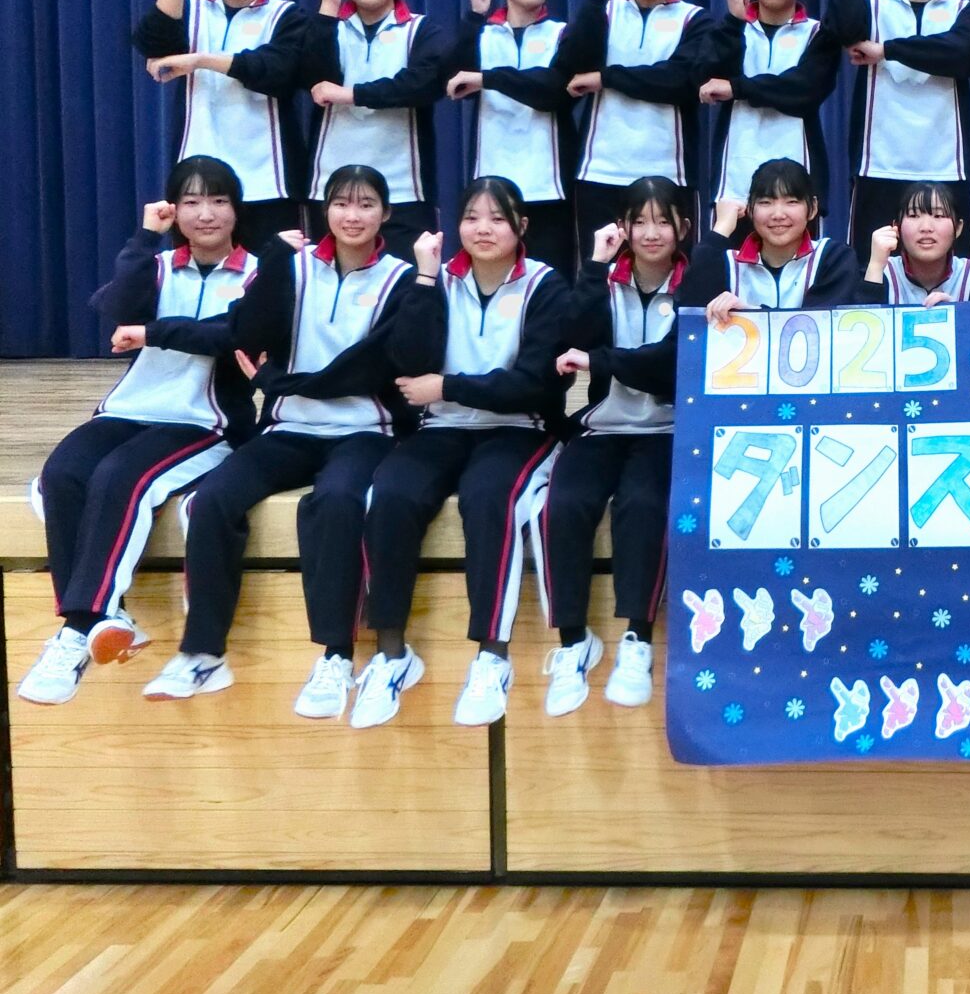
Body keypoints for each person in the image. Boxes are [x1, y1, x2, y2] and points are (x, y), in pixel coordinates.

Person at [144, 165, 414, 707]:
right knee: (212, 498)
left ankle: (336, 656)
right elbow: (246, 332)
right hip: (289, 426)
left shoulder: (401, 279)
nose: (352, 216)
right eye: (341, 204)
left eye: (365, 205)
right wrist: (271, 264)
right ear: (324, 211)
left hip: (366, 431)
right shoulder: (293, 268)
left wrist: (275, 380)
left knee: (335, 501)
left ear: (385, 214)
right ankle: (203, 652)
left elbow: (370, 367)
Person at [17, 159, 257, 705]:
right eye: (191, 202)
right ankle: (109, 616)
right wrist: (144, 237)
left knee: (123, 477)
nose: (205, 213)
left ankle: (79, 629)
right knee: (62, 475)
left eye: (218, 200)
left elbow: (233, 333)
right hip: (129, 409)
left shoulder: (259, 274)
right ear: (174, 210)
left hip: (205, 421)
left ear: (236, 209)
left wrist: (153, 331)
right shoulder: (158, 264)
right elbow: (116, 306)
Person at [353, 177, 569, 730]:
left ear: (522, 226)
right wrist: (425, 278)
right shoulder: (435, 281)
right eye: (472, 217)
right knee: (390, 494)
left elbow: (535, 385)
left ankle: (492, 657)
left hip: (519, 428)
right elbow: (408, 361)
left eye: (497, 218)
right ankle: (392, 654)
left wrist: (448, 386)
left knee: (488, 497)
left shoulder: (546, 285)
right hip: (441, 427)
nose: (483, 229)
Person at [539, 177, 690, 714]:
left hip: (668, 429)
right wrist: (594, 264)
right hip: (604, 425)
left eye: (663, 221)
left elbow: (668, 364)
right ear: (622, 226)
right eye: (639, 221)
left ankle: (637, 639)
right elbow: (571, 335)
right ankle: (572, 641)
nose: (651, 233)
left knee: (643, 504)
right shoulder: (605, 280)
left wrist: (600, 360)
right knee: (563, 503)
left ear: (682, 228)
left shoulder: (697, 283)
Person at [132, 0, 310, 246]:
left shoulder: (287, 15)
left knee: (275, 274)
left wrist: (200, 60)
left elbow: (277, 71)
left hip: (269, 182)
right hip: (197, 179)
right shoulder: (190, 8)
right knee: (198, 271)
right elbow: (152, 43)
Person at [830, 0, 970, 258]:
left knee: (955, 275)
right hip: (878, 166)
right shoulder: (871, 6)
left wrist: (885, 50)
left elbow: (958, 54)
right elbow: (842, 28)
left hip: (947, 167)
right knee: (870, 270)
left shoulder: (965, 11)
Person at [563, 0, 713, 259]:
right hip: (599, 170)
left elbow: (679, 80)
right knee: (598, 272)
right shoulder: (604, 12)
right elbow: (571, 62)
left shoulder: (695, 19)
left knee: (676, 273)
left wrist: (606, 78)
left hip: (670, 171)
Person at [304, 0, 455, 246]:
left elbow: (424, 84)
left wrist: (352, 94)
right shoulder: (327, 26)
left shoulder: (421, 30)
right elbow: (312, 76)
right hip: (330, 188)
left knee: (410, 275)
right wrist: (328, 7)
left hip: (404, 191)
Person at [447, 0, 580, 271]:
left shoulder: (564, 34)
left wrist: (488, 78)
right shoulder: (481, 34)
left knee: (551, 279)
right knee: (491, 274)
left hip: (549, 185)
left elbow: (553, 91)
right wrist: (474, 18)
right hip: (491, 179)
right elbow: (452, 81)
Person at [702, 0, 841, 216]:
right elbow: (707, 78)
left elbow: (804, 91)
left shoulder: (818, 33)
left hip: (800, 177)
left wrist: (737, 88)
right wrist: (732, 23)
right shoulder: (731, 30)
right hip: (734, 178)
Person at [693, 159, 862, 322]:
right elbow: (690, 312)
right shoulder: (728, 263)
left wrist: (747, 313)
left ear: (813, 208)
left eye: (791, 202)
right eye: (766, 202)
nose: (778, 215)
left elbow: (821, 324)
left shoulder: (834, 258)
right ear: (750, 209)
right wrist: (721, 228)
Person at [858, 181, 970, 305]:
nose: (926, 227)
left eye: (938, 216)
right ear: (897, 227)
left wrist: (958, 312)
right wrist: (875, 265)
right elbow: (861, 317)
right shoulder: (883, 272)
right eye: (913, 215)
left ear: (958, 228)